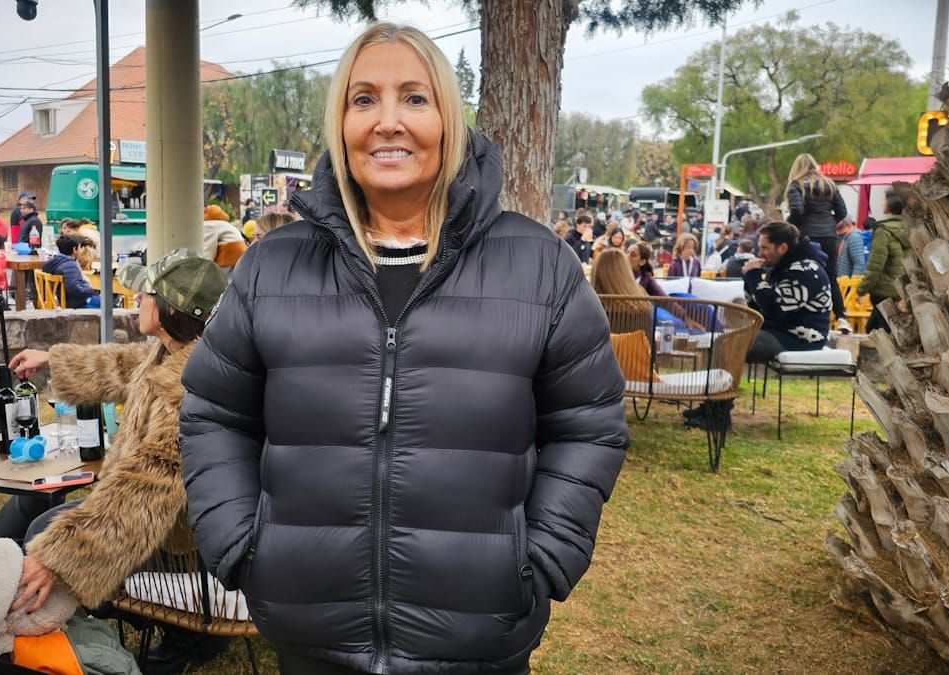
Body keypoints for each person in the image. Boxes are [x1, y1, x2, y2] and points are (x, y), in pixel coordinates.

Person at [178, 23, 628, 675]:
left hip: (481, 639)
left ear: (449, 118)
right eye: (364, 100)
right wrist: (242, 546)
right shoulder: (271, 269)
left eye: (414, 98)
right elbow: (216, 414)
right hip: (310, 634)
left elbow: (588, 426)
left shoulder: (540, 267)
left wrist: (542, 558)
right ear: (341, 122)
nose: (388, 121)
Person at [0, 250, 228, 671]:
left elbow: (148, 490)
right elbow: (125, 365)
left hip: (184, 552)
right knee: (36, 521)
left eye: (146, 294)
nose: (136, 298)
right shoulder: (176, 354)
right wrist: (52, 359)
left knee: (45, 532)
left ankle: (185, 634)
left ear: (171, 309)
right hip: (165, 536)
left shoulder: (192, 390)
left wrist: (63, 558)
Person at [743, 221, 833, 363]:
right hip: (779, 333)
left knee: (736, 343)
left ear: (783, 248)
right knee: (728, 338)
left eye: (765, 248)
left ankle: (725, 383)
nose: (760, 254)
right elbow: (758, 310)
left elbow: (775, 308)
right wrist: (749, 280)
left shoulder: (806, 271)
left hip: (801, 339)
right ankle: (722, 383)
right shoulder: (782, 269)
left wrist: (754, 277)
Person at [786, 153, 850, 334]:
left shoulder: (796, 185)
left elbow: (797, 210)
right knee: (830, 276)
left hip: (807, 236)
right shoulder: (829, 184)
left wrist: (792, 226)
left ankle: (804, 318)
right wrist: (829, 224)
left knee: (803, 274)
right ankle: (842, 318)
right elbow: (842, 211)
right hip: (829, 236)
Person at [858, 192, 910, 333]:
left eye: (884, 201)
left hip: (884, 290)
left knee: (886, 329)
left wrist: (861, 289)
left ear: (890, 205)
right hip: (903, 288)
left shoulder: (883, 231)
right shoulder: (910, 229)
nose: (882, 203)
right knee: (874, 328)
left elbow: (875, 265)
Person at [41, 235, 98, 309]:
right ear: (75, 249)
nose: (81, 251)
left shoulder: (54, 262)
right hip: (77, 304)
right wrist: (90, 289)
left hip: (63, 301)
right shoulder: (70, 265)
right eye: (80, 248)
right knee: (110, 304)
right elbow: (73, 288)